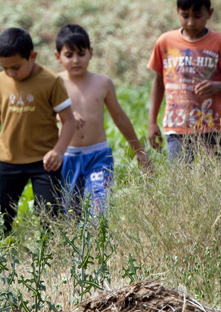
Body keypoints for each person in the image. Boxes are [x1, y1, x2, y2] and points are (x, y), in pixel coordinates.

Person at [0, 27, 76, 232]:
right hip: (8, 160)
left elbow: (69, 121)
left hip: (45, 162)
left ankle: (51, 255)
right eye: (4, 67)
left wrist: (58, 151)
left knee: (49, 217)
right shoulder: (1, 80)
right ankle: (5, 257)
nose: (10, 73)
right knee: (0, 216)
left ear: (32, 57)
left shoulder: (51, 81)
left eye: (16, 67)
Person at [54, 24, 152, 218]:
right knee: (69, 215)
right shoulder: (54, 83)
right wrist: (64, 117)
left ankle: (96, 246)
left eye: (81, 54)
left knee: (99, 212)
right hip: (66, 156)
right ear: (58, 56)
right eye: (69, 55)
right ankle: (76, 248)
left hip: (98, 156)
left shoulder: (103, 83)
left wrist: (139, 152)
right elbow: (44, 116)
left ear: (90, 53)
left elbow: (120, 117)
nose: (75, 60)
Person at [148, 0, 221, 164]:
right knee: (181, 184)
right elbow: (159, 84)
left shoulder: (220, 43)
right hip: (177, 127)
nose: (191, 22)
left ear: (209, 13)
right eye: (185, 16)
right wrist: (152, 122)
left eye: (197, 16)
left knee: (216, 180)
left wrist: (217, 87)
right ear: (177, 11)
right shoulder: (165, 42)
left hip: (213, 127)